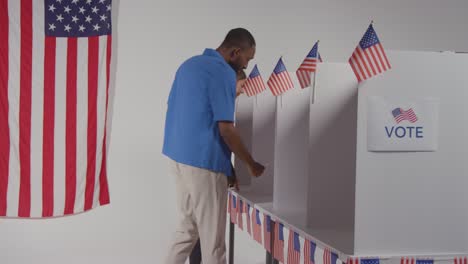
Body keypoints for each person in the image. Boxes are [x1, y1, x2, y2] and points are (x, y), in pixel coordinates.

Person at [163, 28, 265, 264]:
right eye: (247, 59)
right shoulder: (222, 72)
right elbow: (225, 129)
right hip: (203, 163)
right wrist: (251, 164)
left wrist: (227, 168)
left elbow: (183, 112)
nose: (246, 66)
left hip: (177, 157)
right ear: (235, 52)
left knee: (187, 230)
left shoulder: (188, 65)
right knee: (214, 242)